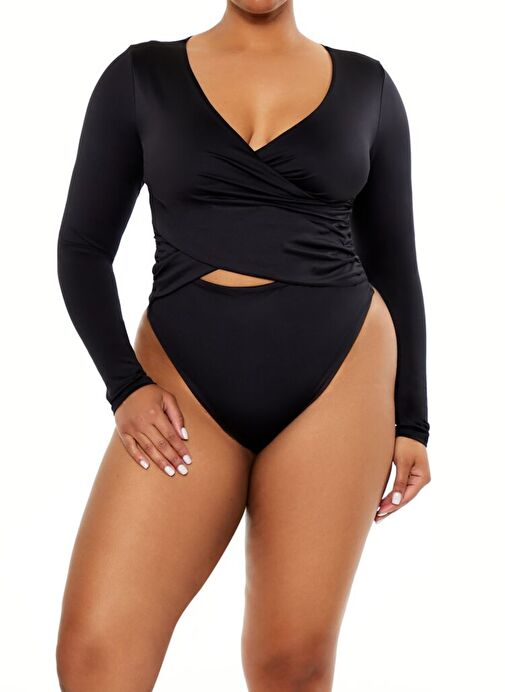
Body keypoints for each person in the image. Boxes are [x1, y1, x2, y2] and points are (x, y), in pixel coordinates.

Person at [55, 2, 432, 689]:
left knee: (292, 664)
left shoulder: (368, 87)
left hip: (340, 376)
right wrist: (124, 385)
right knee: (96, 654)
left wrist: (413, 421)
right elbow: (82, 248)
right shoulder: (141, 75)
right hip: (181, 381)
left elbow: (395, 264)